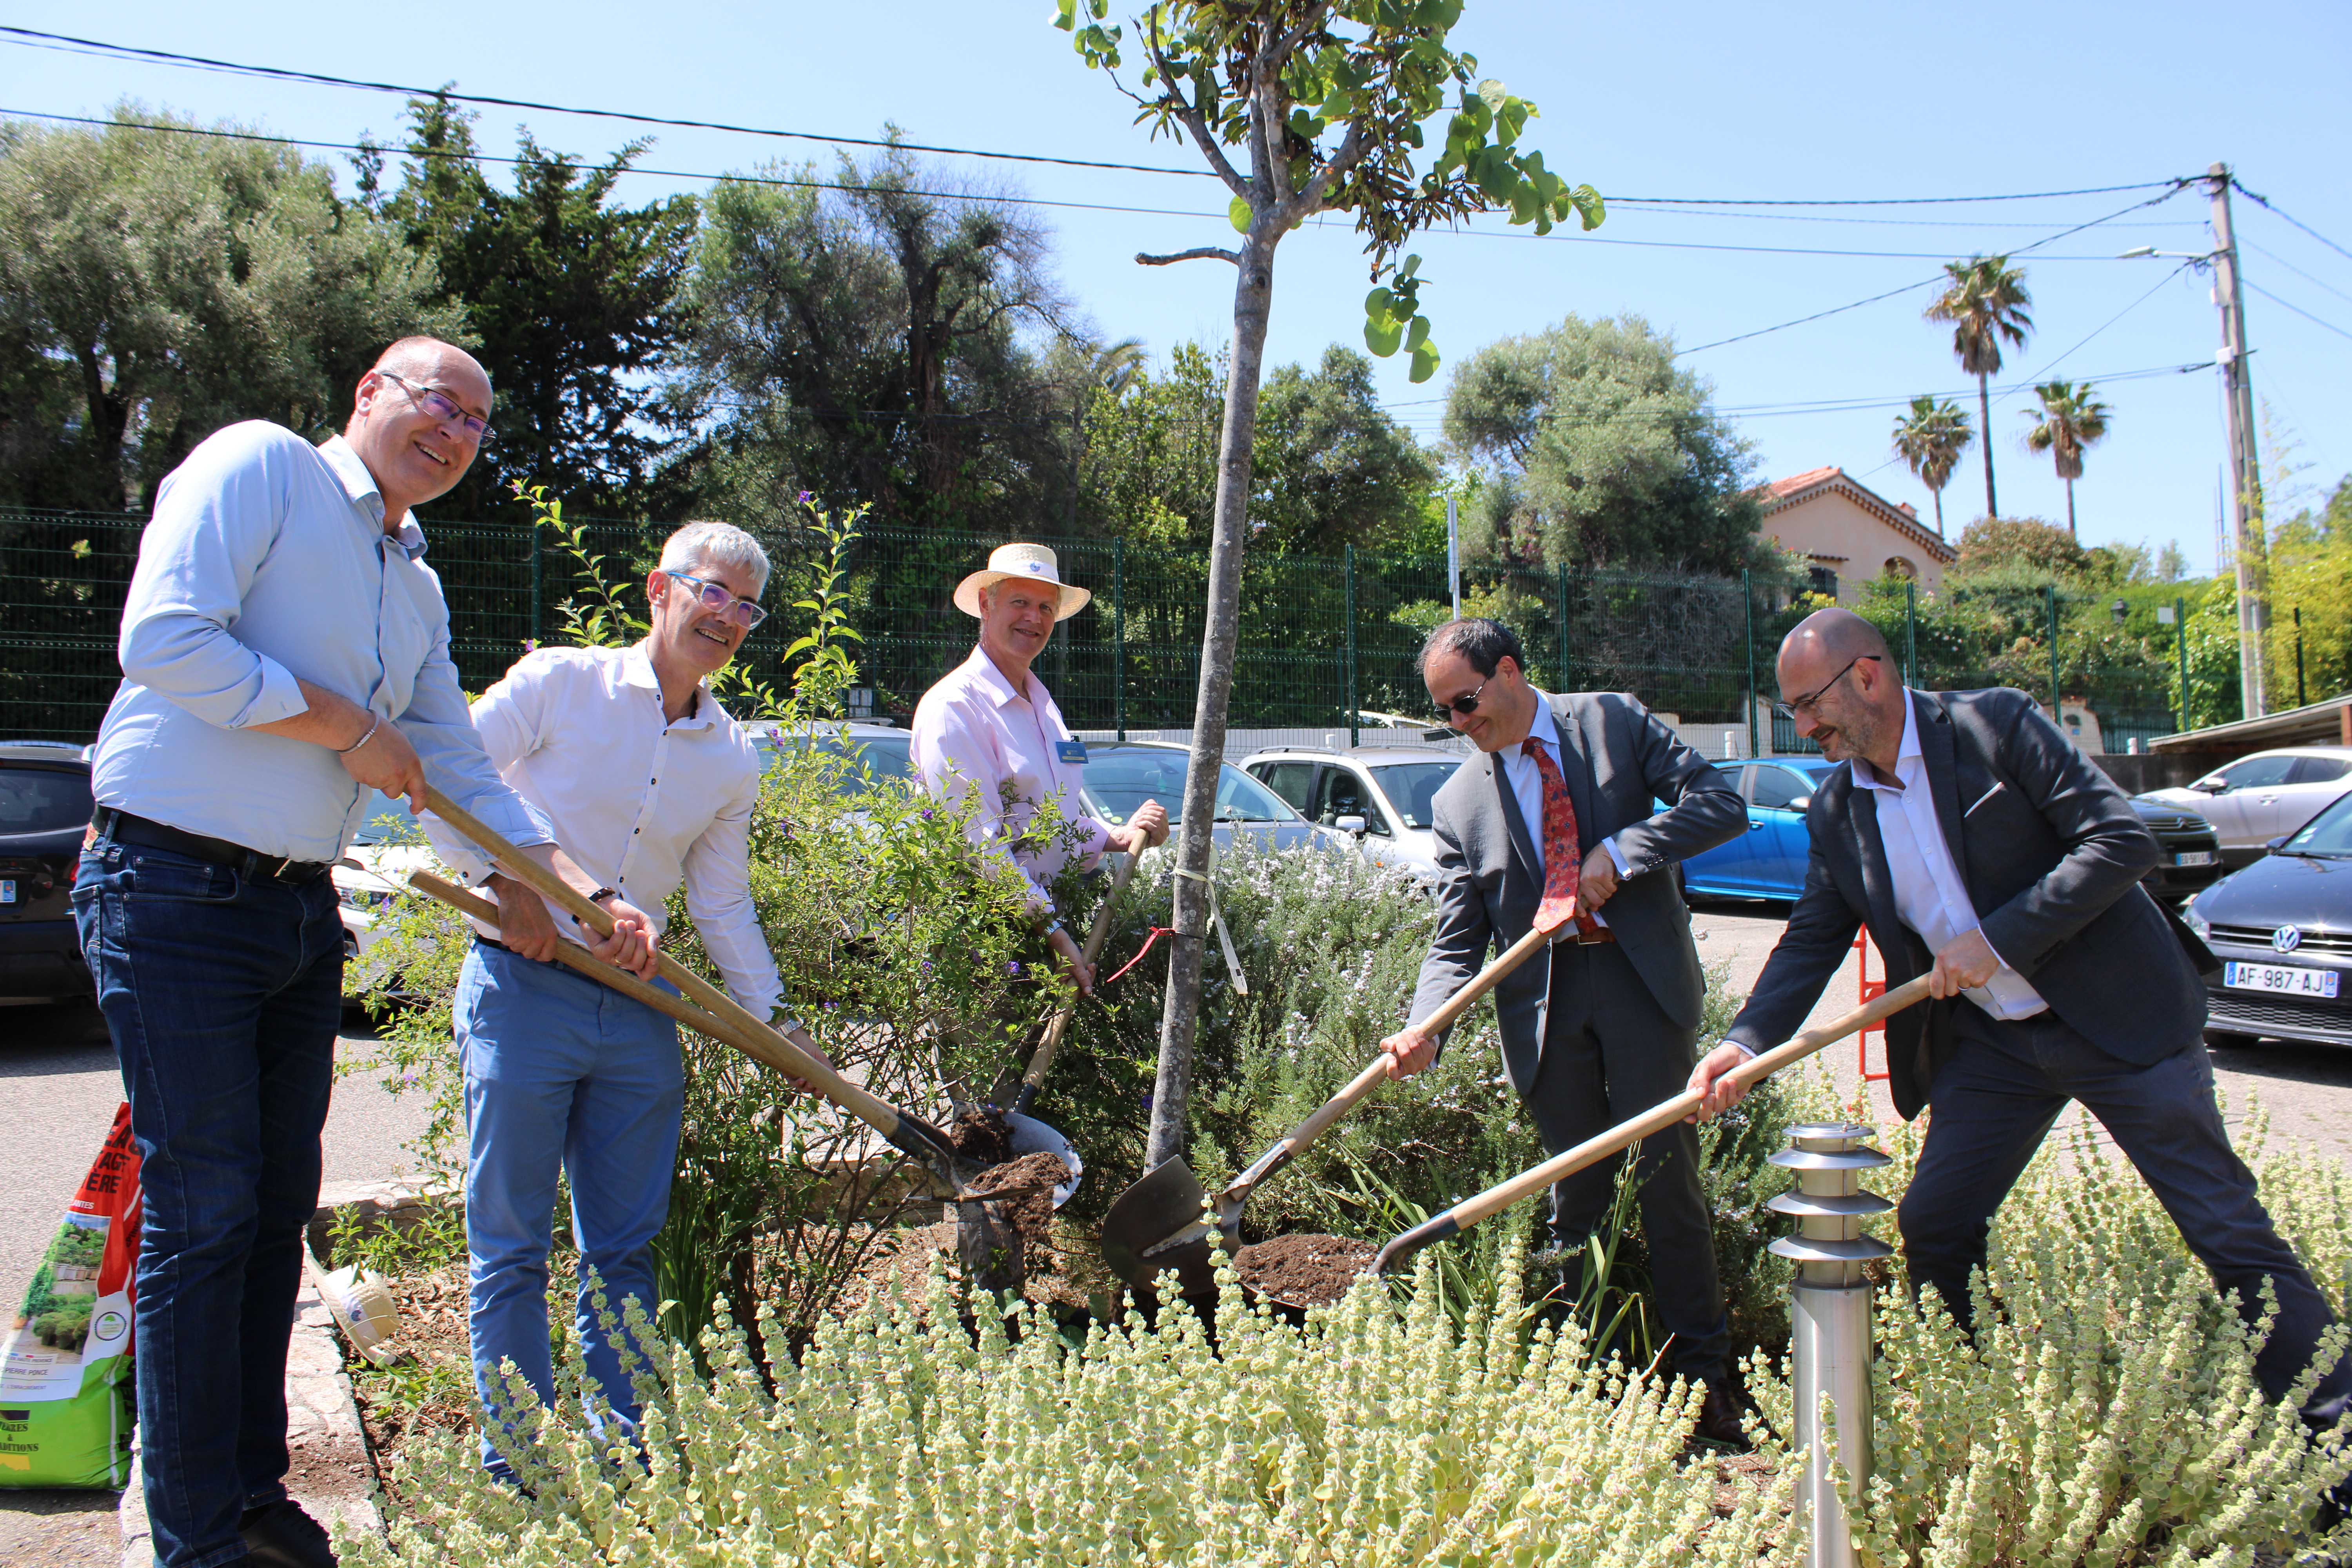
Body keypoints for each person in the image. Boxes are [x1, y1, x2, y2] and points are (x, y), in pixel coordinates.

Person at [77, 338, 651, 1568]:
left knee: (273, 1205)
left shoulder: (416, 583)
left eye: (479, 422)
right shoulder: (263, 469)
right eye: (438, 400)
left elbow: (453, 763)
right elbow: (164, 638)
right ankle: (192, 1533)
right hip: (171, 881)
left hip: (293, 908)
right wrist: (341, 723)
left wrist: (576, 886)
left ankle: (250, 1497)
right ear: (368, 396)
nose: (455, 430)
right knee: (205, 1204)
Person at [1689, 608, 2351, 1436]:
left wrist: (1996, 938)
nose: (1803, 723)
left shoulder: (1993, 726)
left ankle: (2339, 1444)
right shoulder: (1836, 810)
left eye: (1809, 702)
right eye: (1793, 709)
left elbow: (2119, 840)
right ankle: (1987, 1418)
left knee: (2225, 1228)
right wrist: (1743, 1043)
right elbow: (1810, 942)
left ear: (1867, 675)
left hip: (2122, 1021)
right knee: (1935, 1222)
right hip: (1997, 1045)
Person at [424, 521, 825, 1485]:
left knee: (624, 1250)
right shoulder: (559, 684)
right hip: (522, 988)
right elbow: (445, 781)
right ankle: (517, 1470)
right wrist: (506, 880)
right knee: (512, 1245)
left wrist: (775, 1020)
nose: (725, 616)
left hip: (639, 1010)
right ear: (660, 589)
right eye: (711, 591)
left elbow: (720, 902)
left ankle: (626, 1460)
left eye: (744, 605)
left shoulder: (729, 757)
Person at [1375, 618, 1753, 1445]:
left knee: (1668, 1186)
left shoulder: (1611, 721)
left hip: (1638, 983)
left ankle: (1706, 1380)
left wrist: (1627, 847)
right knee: (1574, 1199)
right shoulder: (1458, 801)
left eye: (1467, 701)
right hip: (1544, 1013)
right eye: (1445, 713)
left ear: (1508, 672)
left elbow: (1722, 804)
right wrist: (1423, 1028)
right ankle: (1601, 1381)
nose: (1460, 724)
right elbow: (1455, 939)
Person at [909, 543, 1168, 995]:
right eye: (1020, 602)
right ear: (986, 606)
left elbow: (1054, 820)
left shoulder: (1045, 709)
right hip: (984, 952)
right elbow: (975, 845)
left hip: (1051, 939)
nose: (1034, 617)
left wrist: (1116, 837)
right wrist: (1050, 930)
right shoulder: (954, 708)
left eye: (1046, 607)